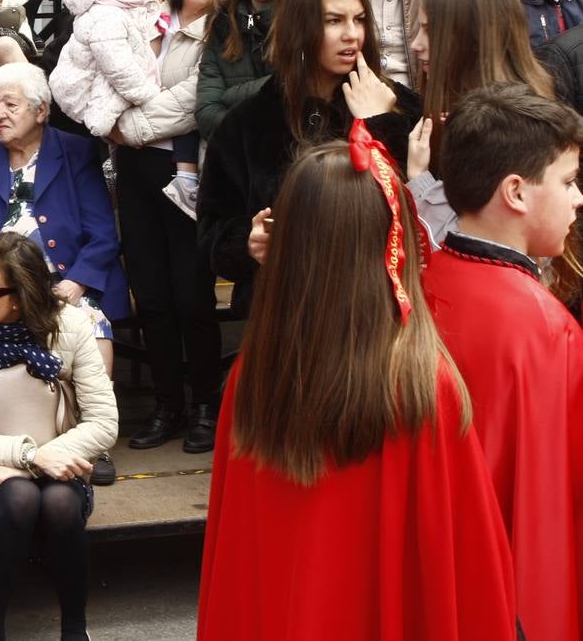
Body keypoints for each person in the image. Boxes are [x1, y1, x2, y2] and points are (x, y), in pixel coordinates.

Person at [197, 137, 517, 641]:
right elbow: (466, 573)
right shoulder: (421, 384)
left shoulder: (253, 375)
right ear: (394, 244)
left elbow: (235, 566)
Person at [421, 84, 583, 641]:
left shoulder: (418, 286)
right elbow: (554, 508)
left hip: (442, 586)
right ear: (516, 191)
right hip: (516, 600)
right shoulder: (546, 330)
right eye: (567, 181)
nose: (578, 198)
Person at [199, 0, 421, 320]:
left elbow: (416, 212)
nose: (352, 34)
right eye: (334, 21)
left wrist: (379, 125)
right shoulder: (248, 122)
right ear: (300, 28)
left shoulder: (400, 107)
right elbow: (212, 231)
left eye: (359, 20)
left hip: (375, 309)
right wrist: (248, 243)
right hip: (283, 314)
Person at [0, 232, 118, 641]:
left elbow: (104, 422)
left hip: (60, 466)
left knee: (57, 501)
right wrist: (30, 457)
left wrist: (33, 461)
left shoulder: (71, 325)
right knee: (20, 496)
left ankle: (75, 630)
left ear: (20, 296)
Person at [0, 61, 130, 483]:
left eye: (10, 105)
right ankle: (13, 441)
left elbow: (102, 233)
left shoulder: (74, 152)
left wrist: (76, 283)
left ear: (41, 110)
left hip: (68, 280)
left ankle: (92, 442)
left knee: (90, 322)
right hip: (3, 287)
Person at [106, 0, 231, 452]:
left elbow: (193, 103)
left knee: (192, 294)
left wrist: (125, 126)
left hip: (190, 172)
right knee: (152, 294)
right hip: (137, 169)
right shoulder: (142, 16)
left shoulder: (225, 31)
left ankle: (205, 405)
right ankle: (166, 405)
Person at [405, 0, 558, 247]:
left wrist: (420, 180)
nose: (416, 44)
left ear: (471, 38)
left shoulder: (510, 127)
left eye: (429, 31)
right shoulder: (470, 106)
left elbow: (476, 239)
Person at [51, 0, 201, 199]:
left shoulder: (131, 8)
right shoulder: (108, 14)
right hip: (83, 92)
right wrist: (151, 95)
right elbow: (118, 69)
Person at [196, 0, 300, 141]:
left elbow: (300, 97)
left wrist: (232, 96)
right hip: (235, 153)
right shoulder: (223, 22)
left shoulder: (306, 22)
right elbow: (206, 112)